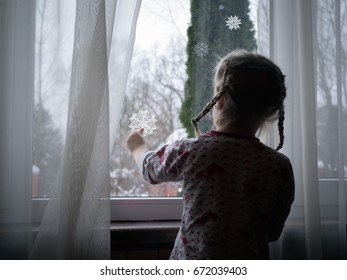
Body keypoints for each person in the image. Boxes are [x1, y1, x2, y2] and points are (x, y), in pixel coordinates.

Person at [125, 50, 295, 259]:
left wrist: (137, 147)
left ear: (220, 100)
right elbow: (273, 231)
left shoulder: (192, 150)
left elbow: (151, 169)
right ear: (271, 111)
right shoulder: (279, 166)